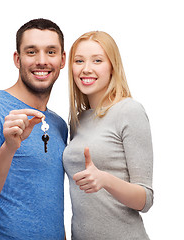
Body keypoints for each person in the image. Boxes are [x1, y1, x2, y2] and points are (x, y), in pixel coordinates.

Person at [0, 18, 67, 240]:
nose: (42, 61)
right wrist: (9, 148)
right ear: (17, 59)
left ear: (62, 60)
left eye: (51, 52)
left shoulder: (60, 125)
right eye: (31, 52)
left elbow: (51, 210)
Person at [63, 31, 154, 239]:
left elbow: (145, 199)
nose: (86, 69)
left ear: (112, 66)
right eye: (79, 61)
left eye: (97, 60)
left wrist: (105, 180)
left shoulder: (130, 111)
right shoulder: (78, 120)